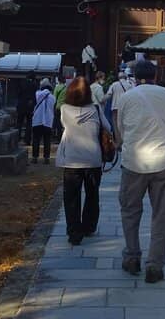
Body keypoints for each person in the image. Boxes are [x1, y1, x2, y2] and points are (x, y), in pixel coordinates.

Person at [114, 60, 165, 284]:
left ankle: (132, 256)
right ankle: (155, 263)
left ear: (134, 77)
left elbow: (121, 130)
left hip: (134, 161)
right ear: (156, 75)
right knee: (162, 214)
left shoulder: (126, 97)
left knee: (130, 211)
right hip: (164, 160)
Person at [57, 76, 112, 245]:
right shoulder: (95, 108)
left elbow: (63, 126)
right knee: (92, 194)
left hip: (71, 158)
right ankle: (88, 226)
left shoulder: (65, 109)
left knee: (71, 196)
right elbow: (108, 128)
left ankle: (74, 231)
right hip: (92, 157)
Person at [31, 78, 55, 164]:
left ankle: (34, 157)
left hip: (37, 120)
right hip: (48, 121)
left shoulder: (36, 94)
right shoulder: (53, 97)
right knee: (47, 140)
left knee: (36, 139)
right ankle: (46, 158)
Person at [105, 67, 134, 133]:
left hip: (115, 107)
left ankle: (118, 139)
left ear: (118, 78)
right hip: (126, 107)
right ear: (125, 77)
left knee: (115, 124)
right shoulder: (129, 85)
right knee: (125, 122)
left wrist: (102, 100)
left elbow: (108, 95)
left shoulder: (114, 84)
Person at [17, 74, 38, 145]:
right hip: (30, 106)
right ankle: (27, 140)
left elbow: (18, 93)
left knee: (19, 123)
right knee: (29, 123)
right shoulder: (34, 85)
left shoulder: (22, 83)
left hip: (21, 105)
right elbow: (35, 96)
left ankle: (17, 138)